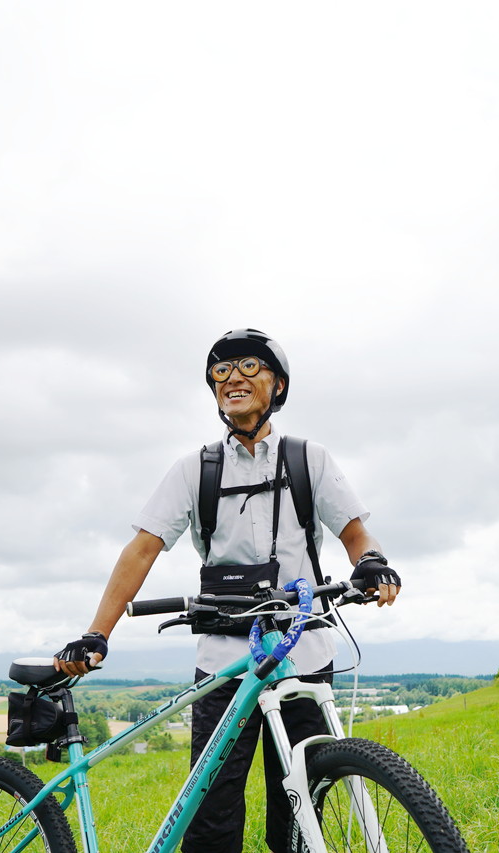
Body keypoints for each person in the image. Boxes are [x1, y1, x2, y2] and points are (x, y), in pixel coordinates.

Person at [55, 328, 401, 853]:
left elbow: (354, 532)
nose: (232, 377)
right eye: (221, 370)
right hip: (224, 659)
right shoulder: (194, 469)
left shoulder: (310, 460)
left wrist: (372, 562)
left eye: (247, 367)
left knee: (302, 809)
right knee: (213, 817)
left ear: (278, 386)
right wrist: (96, 633)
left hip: (303, 650)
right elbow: (142, 549)